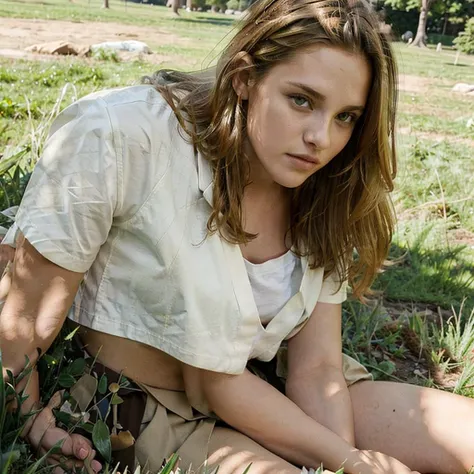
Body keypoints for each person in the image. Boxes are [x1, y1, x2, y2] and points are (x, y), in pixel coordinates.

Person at [1, 0, 474, 473]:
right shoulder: (123, 135)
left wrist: (343, 461)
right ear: (245, 77)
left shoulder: (327, 185)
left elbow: (317, 368)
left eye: (346, 116)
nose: (321, 138)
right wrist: (25, 415)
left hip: (270, 382)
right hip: (142, 401)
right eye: (302, 100)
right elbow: (27, 317)